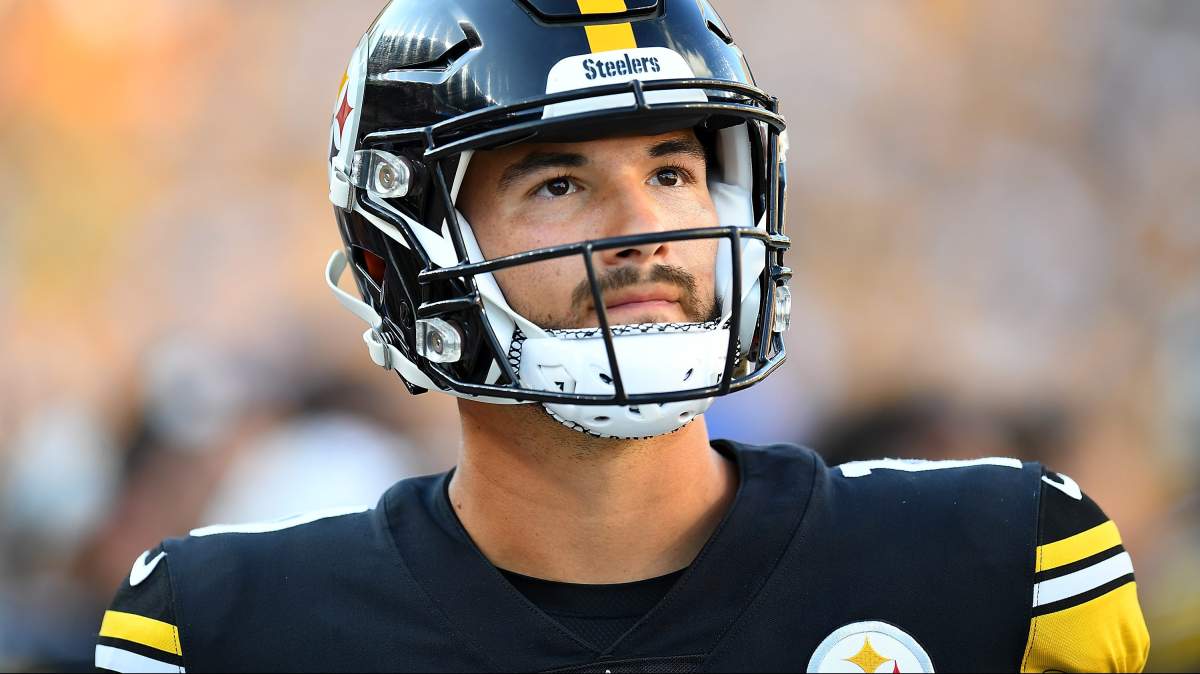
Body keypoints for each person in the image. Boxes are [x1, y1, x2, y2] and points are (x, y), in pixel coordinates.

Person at [95, 1, 1149, 671]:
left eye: (673, 171)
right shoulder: (225, 629)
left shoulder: (1001, 565)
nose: (645, 230)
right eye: (559, 183)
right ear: (400, 257)